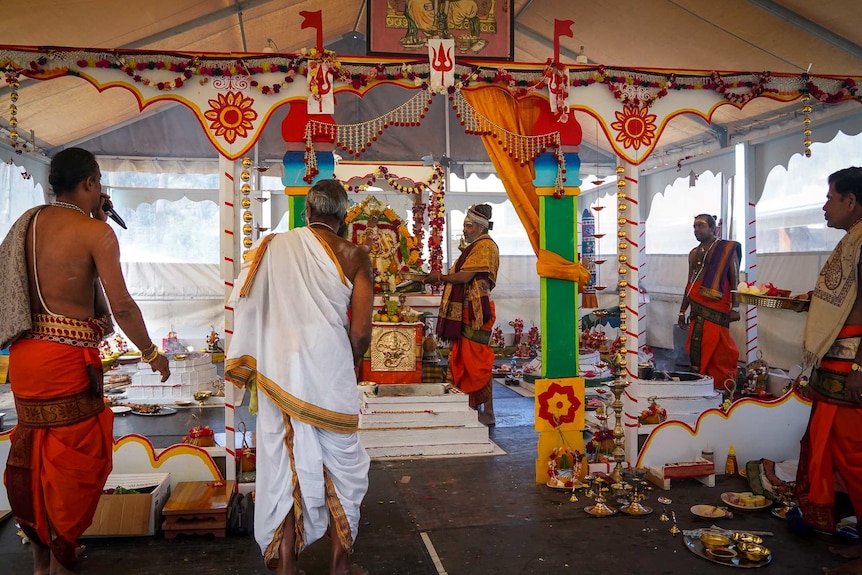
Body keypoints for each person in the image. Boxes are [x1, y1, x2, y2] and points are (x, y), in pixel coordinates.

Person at [0, 147, 170, 575]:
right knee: (76, 462)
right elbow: (124, 306)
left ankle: (43, 563)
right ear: (92, 182)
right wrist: (151, 353)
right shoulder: (97, 234)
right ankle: (61, 564)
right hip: (66, 364)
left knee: (35, 459)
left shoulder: (27, 222)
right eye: (99, 185)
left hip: (24, 362)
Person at [225, 179, 374, 575]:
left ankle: (287, 564)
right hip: (331, 375)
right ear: (343, 218)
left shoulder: (274, 247)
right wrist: (347, 362)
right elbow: (360, 333)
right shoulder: (356, 255)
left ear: (307, 212)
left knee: (284, 466)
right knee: (345, 469)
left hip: (281, 373)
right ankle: (339, 567)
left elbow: (245, 302)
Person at [795, 167, 862, 570]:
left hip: (851, 365)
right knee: (836, 450)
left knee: (855, 456)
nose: (825, 205)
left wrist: (858, 366)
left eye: (830, 197)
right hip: (836, 363)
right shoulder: (852, 241)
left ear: (851, 203)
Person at [426, 204, 499, 426]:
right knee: (462, 358)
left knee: (477, 362)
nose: (464, 230)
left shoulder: (485, 247)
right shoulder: (476, 245)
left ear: (480, 227)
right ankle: (470, 407)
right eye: (464, 226)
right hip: (467, 312)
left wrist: (438, 278)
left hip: (476, 314)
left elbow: (465, 278)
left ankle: (488, 412)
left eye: (468, 226)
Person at [677, 214, 741, 391]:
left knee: (719, 347)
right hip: (696, 308)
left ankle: (721, 386)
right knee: (696, 346)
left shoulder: (726, 249)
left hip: (716, 307)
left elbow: (735, 279)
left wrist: (736, 307)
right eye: (695, 226)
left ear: (713, 228)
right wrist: (682, 311)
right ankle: (700, 383)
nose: (696, 229)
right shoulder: (693, 253)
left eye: (701, 225)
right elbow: (690, 283)